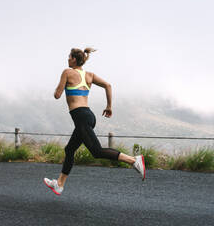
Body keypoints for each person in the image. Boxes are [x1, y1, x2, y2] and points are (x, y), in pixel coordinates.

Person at [44, 48, 145, 196]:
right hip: (88, 116)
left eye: (69, 57)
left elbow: (57, 95)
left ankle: (133, 160)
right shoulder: (89, 75)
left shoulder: (67, 72)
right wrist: (109, 106)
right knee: (70, 150)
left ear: (74, 59)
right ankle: (59, 184)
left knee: (96, 151)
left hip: (81, 117)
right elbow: (108, 85)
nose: (67, 59)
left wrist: (59, 88)